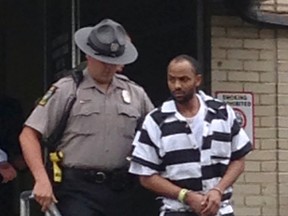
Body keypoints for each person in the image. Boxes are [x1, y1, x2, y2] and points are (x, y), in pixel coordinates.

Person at [19, 18, 154, 216]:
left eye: (113, 60)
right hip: (78, 190)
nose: (109, 66)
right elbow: (28, 135)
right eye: (103, 60)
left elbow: (157, 136)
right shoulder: (67, 90)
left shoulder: (136, 93)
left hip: (124, 189)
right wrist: (41, 179)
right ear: (88, 55)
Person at [129, 54, 252, 216]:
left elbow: (238, 159)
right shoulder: (156, 121)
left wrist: (218, 190)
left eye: (184, 79)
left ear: (197, 80)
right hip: (176, 210)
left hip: (220, 209)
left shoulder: (221, 113)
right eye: (171, 79)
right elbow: (145, 175)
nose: (176, 85)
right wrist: (185, 196)